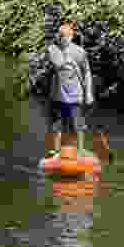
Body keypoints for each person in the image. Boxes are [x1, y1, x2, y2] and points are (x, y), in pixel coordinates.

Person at [44, 20, 94, 157]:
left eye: (65, 35)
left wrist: (88, 93)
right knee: (56, 125)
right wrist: (66, 54)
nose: (61, 38)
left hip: (75, 95)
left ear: (71, 36)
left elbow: (87, 72)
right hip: (57, 95)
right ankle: (55, 151)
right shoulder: (52, 49)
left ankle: (81, 150)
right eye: (60, 35)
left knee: (78, 125)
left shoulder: (80, 52)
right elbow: (58, 64)